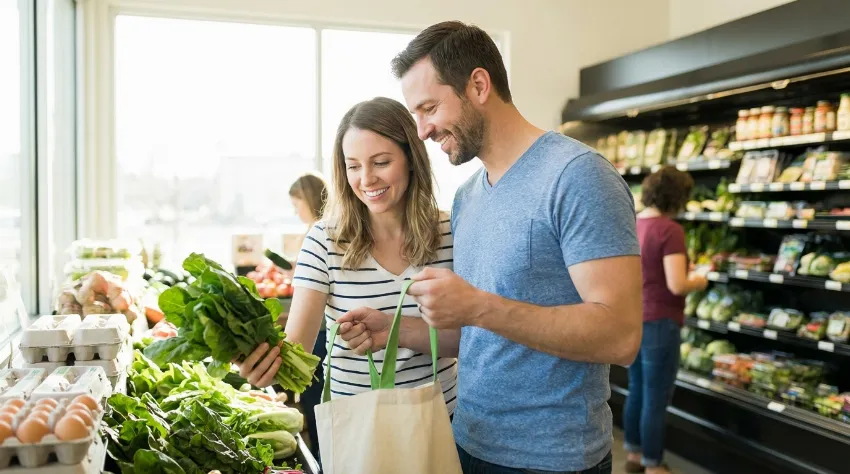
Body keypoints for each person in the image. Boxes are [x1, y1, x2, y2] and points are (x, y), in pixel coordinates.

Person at [336, 20, 642, 474]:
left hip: (552, 459)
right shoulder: (468, 198)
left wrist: (478, 306)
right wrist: (395, 332)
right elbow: (482, 338)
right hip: (470, 441)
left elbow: (621, 336)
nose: (421, 131)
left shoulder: (578, 176)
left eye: (429, 108)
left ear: (478, 84)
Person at [235, 96, 459, 415]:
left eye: (381, 162)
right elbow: (295, 353)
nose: (366, 179)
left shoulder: (452, 231)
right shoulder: (324, 241)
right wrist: (263, 365)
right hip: (356, 431)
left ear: (411, 158)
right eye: (353, 166)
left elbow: (473, 341)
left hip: (441, 424)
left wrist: (396, 331)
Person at [623, 167, 708, 474]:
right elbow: (676, 284)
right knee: (656, 398)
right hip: (661, 321)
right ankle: (654, 465)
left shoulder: (634, 222)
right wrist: (699, 279)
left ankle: (633, 456)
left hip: (635, 316)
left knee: (637, 389)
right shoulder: (670, 230)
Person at [286, 173, 328, 460]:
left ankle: (320, 456)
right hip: (320, 333)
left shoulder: (320, 235)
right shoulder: (315, 234)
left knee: (316, 402)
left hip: (322, 335)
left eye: (296, 203)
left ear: (309, 200)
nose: (295, 210)